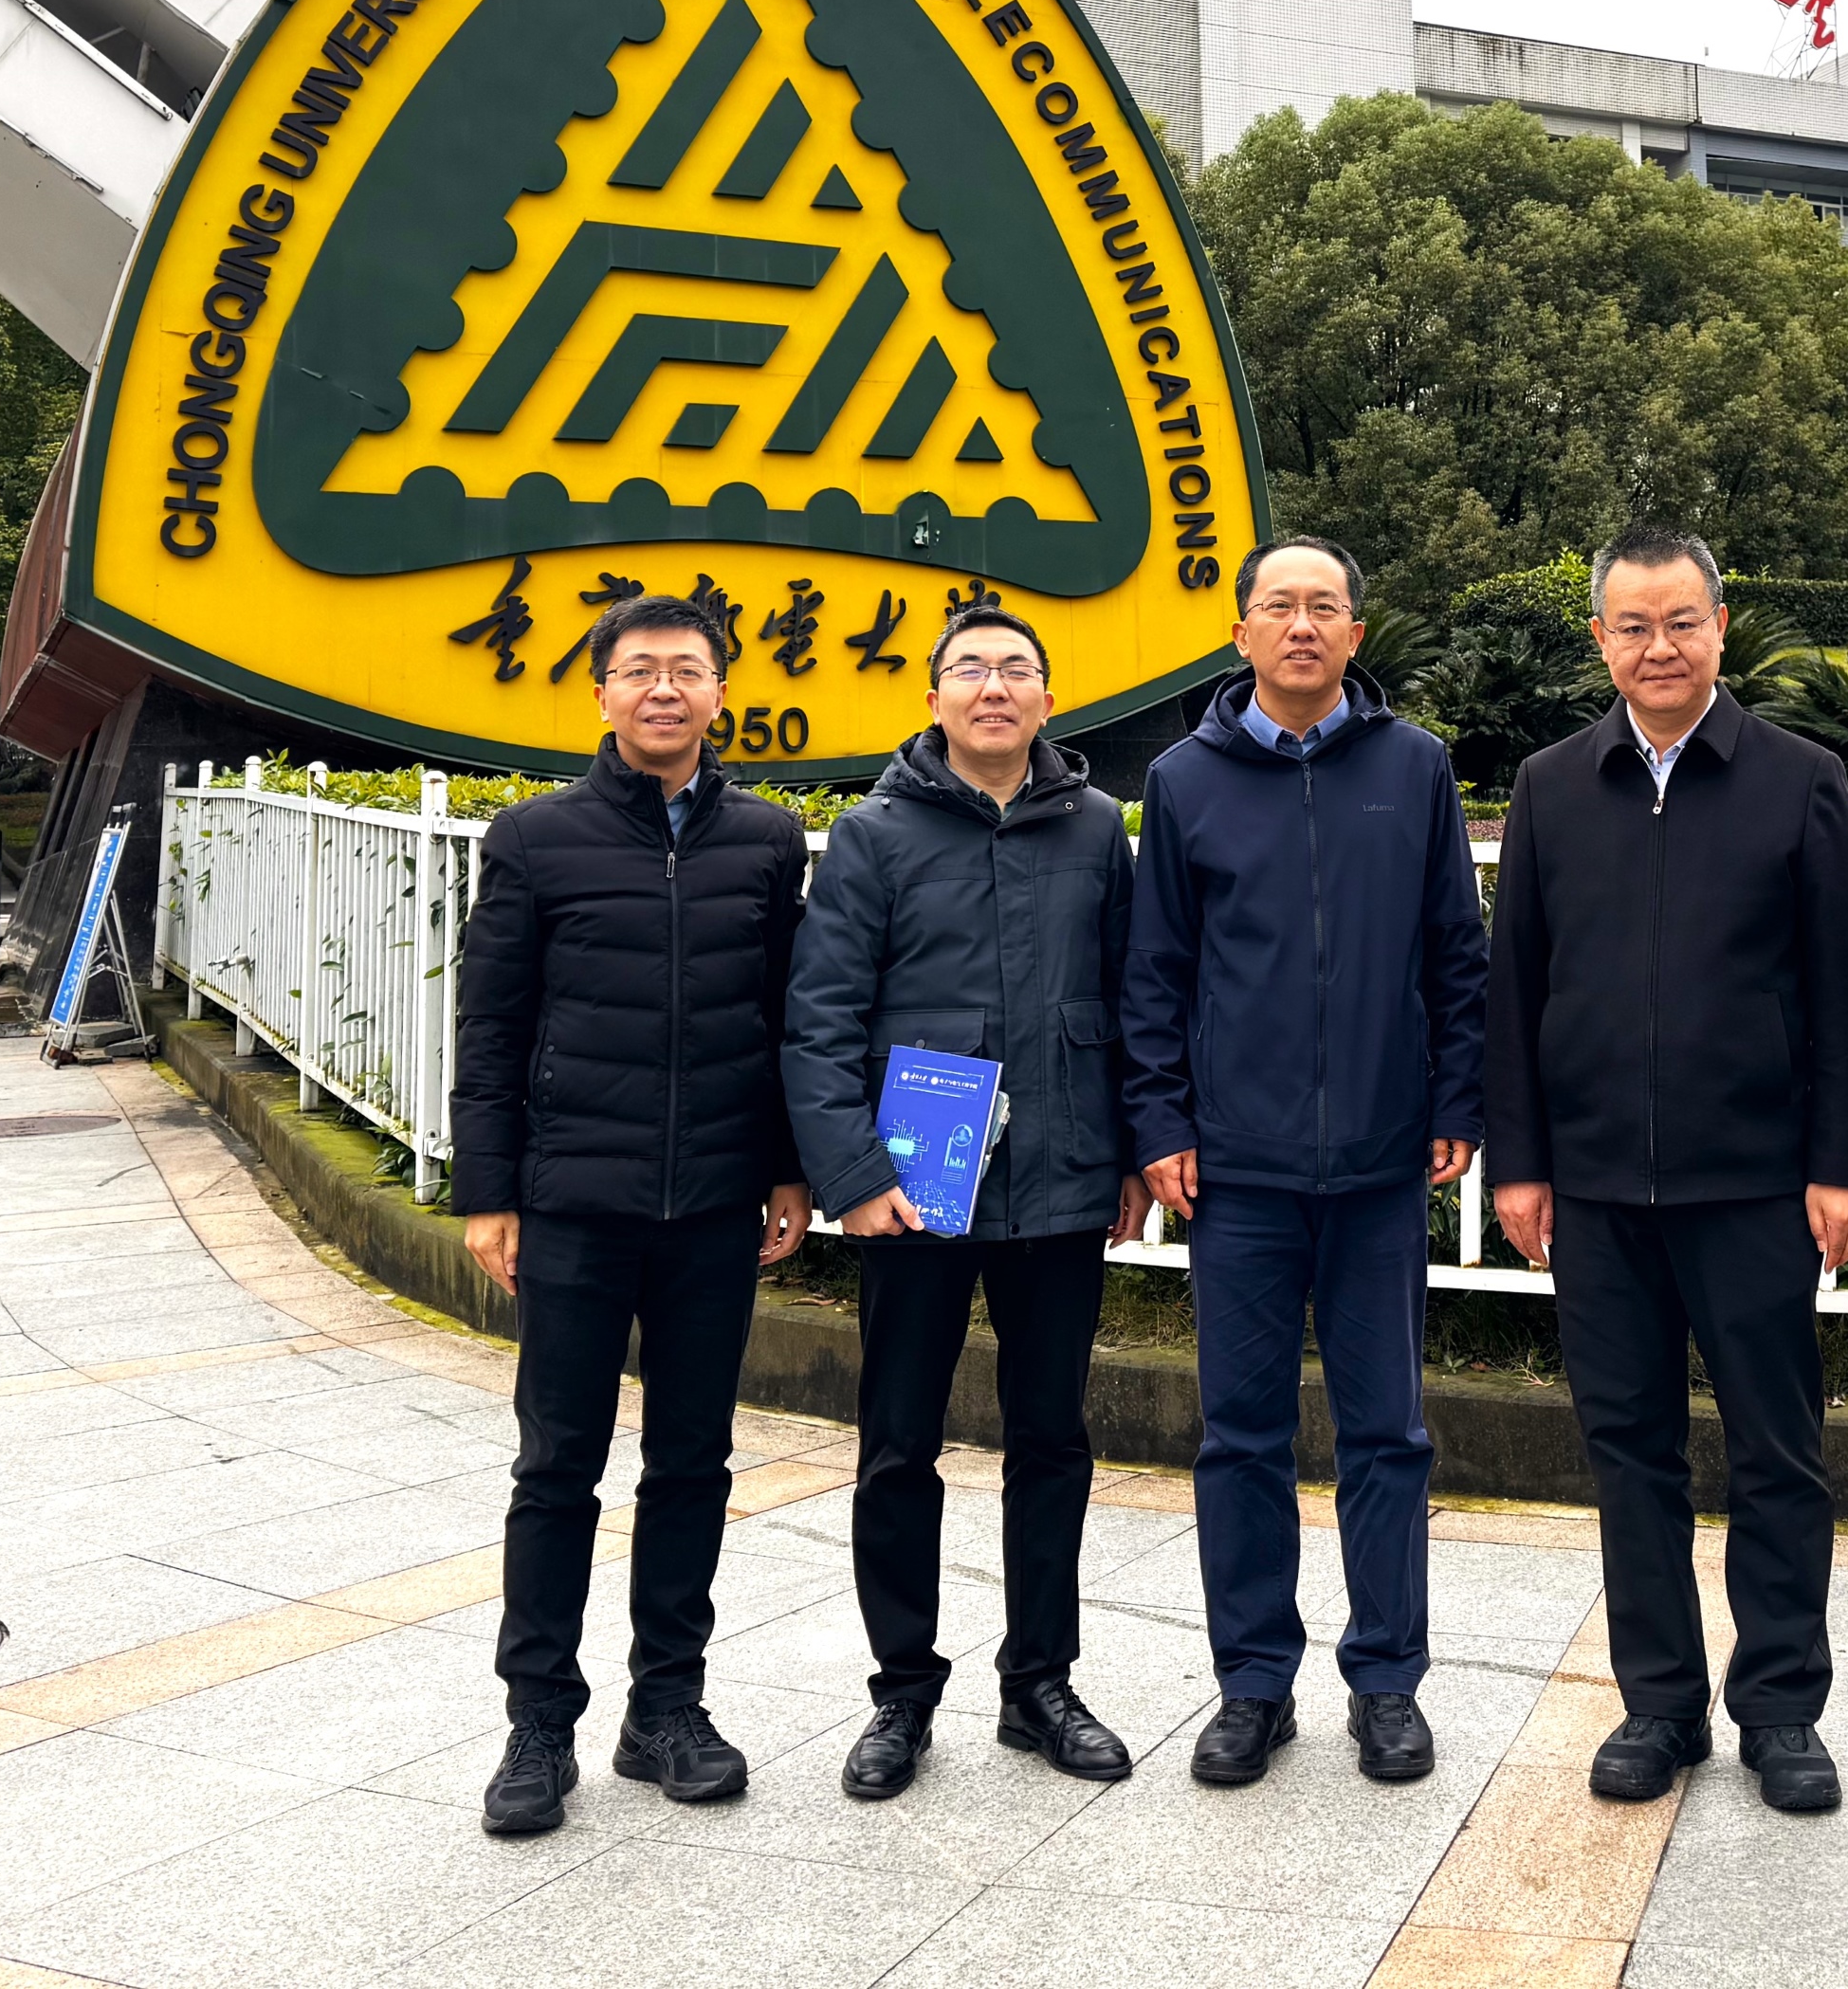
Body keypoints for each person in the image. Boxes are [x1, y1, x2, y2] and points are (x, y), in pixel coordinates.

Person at [1484, 529, 1848, 1814]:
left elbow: (1840, 990)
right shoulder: (1552, 783)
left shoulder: (1800, 778)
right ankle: (1658, 1700)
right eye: (1633, 625)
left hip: (1754, 1181)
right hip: (1595, 1186)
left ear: (1720, 624)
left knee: (1778, 1449)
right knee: (1629, 1450)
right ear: (1600, 637)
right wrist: (1521, 1159)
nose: (1659, 647)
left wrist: (1841, 1161)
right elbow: (1515, 984)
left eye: (1681, 621)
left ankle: (1782, 1704)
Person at [1120, 537, 1489, 1789]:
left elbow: (1455, 950)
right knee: (1241, 1434)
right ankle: (1252, 1682)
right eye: (1277, 604)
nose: (1300, 624)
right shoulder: (1184, 778)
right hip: (1238, 1168)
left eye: (1323, 604)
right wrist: (1161, 1123)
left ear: (1353, 631)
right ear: (1241, 633)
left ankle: (1386, 1680)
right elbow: (1156, 971)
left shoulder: (1413, 765)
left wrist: (1455, 1096)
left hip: (1383, 1161)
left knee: (1387, 1432)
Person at [449, 594, 814, 1838]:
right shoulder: (535, 837)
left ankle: (667, 1707)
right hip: (573, 1201)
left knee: (693, 1462)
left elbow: (782, 1016)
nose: (665, 688)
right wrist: (489, 1189)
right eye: (641, 669)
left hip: (713, 1202)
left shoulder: (766, 839)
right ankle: (538, 1722)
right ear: (601, 690)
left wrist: (786, 1167)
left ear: (720, 691)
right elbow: (491, 1022)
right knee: (558, 1465)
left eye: (688, 669)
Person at [782, 601, 1144, 1802]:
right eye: (971, 668)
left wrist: (1130, 1154)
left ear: (1048, 698)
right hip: (914, 1193)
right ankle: (901, 1691)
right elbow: (820, 1018)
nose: (995, 686)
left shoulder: (1094, 828)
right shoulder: (874, 833)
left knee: (1053, 1440)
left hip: (1061, 1184)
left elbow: (1131, 999)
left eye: (1017, 668)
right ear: (933, 696)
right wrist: (853, 1175)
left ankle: (1040, 1682)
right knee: (899, 1442)